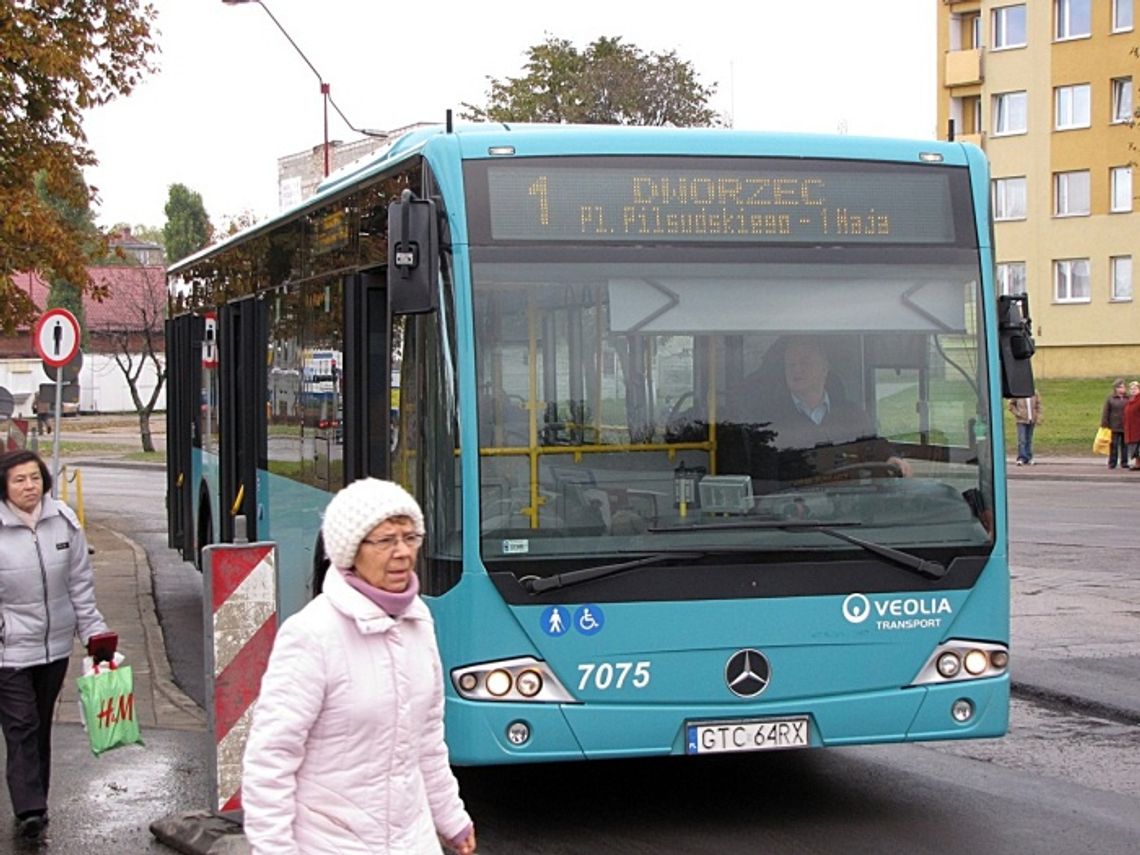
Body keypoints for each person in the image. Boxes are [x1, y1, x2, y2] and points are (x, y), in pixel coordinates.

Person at [242, 478, 476, 855]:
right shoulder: (311, 634)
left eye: (410, 537)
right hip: (331, 844)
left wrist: (450, 816)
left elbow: (428, 739)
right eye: (385, 541)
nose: (402, 552)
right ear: (350, 550)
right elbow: (270, 760)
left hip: (412, 842)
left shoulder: (419, 621)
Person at [0, 450, 109, 839]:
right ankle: (30, 809)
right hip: (9, 651)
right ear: (5, 487)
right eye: (18, 480)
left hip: (55, 648)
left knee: (40, 723)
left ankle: (36, 800)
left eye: (34, 478)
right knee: (22, 724)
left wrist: (95, 637)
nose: (28, 486)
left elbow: (81, 585)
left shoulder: (63, 522)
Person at [734, 336, 912, 483]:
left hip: (849, 509)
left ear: (825, 369)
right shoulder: (768, 421)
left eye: (804, 363)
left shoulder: (852, 414)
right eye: (791, 365)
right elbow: (763, 477)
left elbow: (873, 446)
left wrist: (892, 458)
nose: (797, 369)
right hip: (791, 511)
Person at [1100, 378, 1129, 470]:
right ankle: (1112, 462)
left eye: (1123, 387)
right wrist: (1104, 423)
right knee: (1113, 445)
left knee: (1125, 445)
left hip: (1125, 425)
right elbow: (1106, 411)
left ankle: (1124, 462)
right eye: (1119, 387)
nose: (1122, 389)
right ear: (1115, 388)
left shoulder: (1128, 398)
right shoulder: (1110, 399)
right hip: (1114, 426)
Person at [1008, 391, 1043, 466]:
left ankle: (1029, 457)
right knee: (1022, 440)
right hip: (1021, 420)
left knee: (1029, 439)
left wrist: (1038, 417)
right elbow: (1011, 405)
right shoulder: (1018, 393)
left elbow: (1038, 405)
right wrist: (1018, 413)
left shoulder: (1034, 393)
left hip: (1031, 419)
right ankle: (1022, 458)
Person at [1124, 381, 1140, 470]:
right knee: (1134, 447)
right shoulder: (1130, 400)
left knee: (1138, 447)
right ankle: (1138, 463)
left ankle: (1138, 464)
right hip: (1131, 428)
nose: (1133, 390)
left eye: (1135, 388)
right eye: (1131, 389)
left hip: (1138, 427)